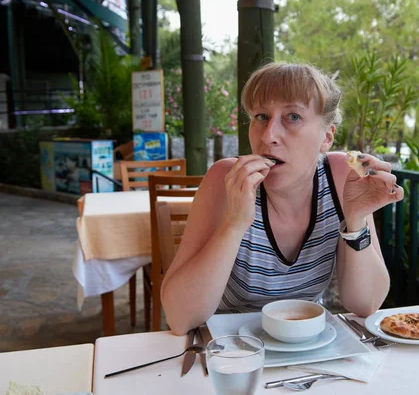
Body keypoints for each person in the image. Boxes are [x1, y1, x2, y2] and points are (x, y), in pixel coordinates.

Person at [161, 62, 404, 335]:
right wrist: (234, 224)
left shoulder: (341, 176)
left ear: (327, 137)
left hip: (305, 344)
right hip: (229, 352)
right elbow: (179, 317)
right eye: (261, 117)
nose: (268, 136)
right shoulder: (226, 179)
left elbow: (366, 304)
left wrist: (356, 220)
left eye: (293, 117)